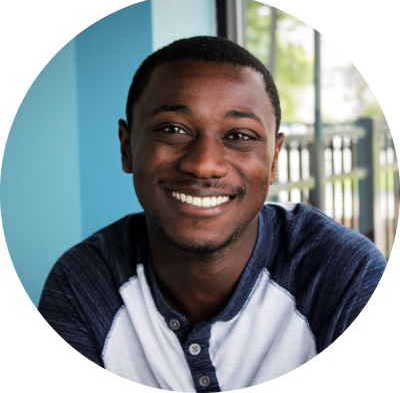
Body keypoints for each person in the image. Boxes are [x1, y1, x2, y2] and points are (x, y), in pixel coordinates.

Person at [39, 36, 386, 392]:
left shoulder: (347, 277)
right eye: (173, 130)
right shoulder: (82, 285)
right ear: (127, 147)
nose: (204, 164)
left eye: (239, 135)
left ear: (274, 160)